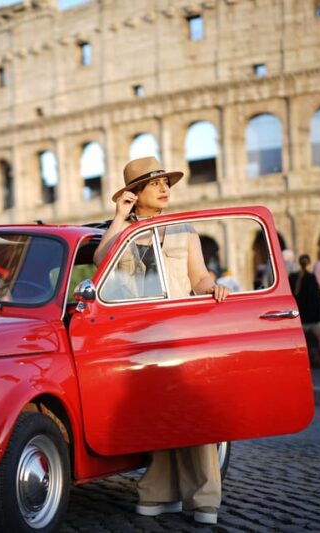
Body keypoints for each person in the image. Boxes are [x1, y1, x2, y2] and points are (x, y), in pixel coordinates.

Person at [94, 156, 229, 526]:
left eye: (165, 183)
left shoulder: (184, 230)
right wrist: (120, 217)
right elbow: (101, 261)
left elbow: (198, 276)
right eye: (154, 184)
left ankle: (204, 498)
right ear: (135, 194)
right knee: (155, 415)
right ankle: (159, 491)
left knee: (194, 414)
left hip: (179, 331)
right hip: (140, 335)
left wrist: (213, 287)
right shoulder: (121, 232)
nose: (164, 189)